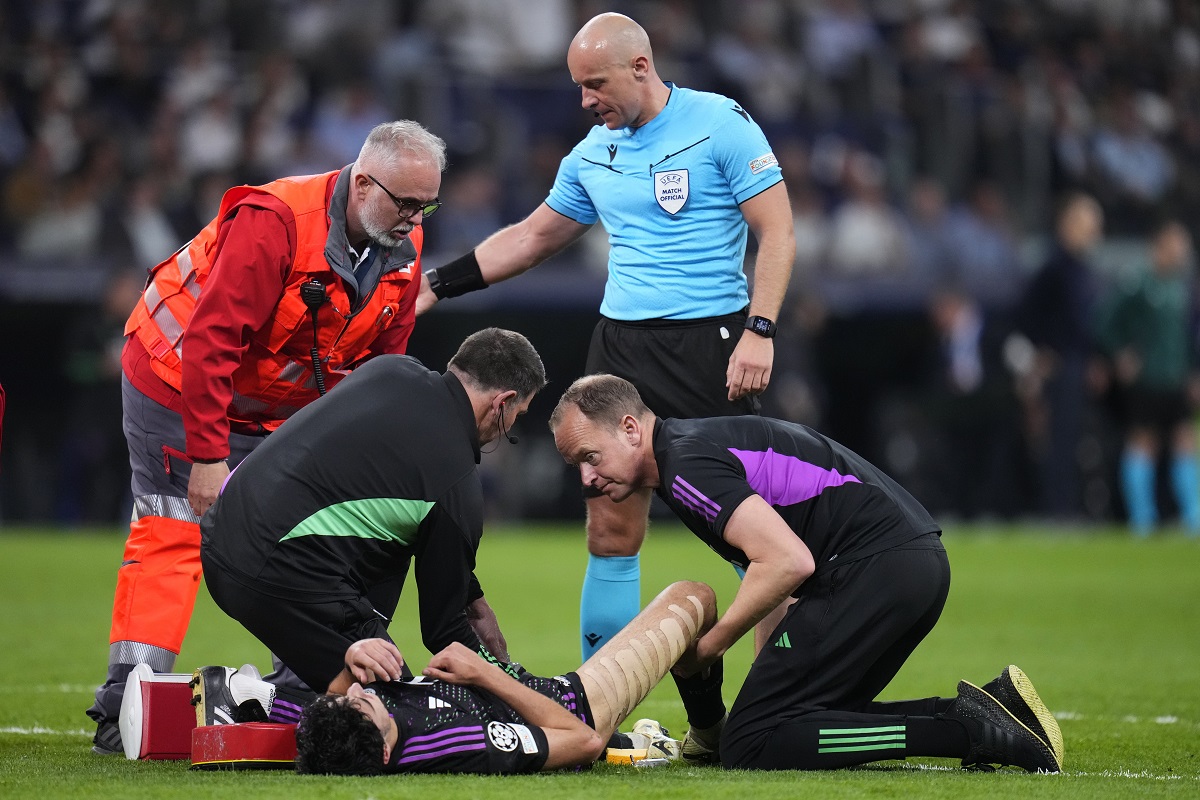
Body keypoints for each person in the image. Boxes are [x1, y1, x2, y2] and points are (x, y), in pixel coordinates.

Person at [416, 12, 796, 662]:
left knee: (753, 536)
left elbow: (779, 231)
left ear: (640, 68)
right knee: (610, 530)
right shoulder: (592, 154)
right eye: (578, 87)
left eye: (595, 84)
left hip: (712, 347)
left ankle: (781, 700)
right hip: (619, 353)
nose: (585, 101)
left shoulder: (721, 124)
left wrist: (760, 330)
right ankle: (601, 710)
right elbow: (532, 238)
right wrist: (436, 285)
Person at [88, 120, 448, 754]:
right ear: (363, 185)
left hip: (268, 405)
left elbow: (379, 375)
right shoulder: (276, 221)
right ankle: (124, 706)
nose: (416, 220)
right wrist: (207, 456)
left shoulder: (402, 245)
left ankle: (301, 692)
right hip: (176, 379)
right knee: (174, 530)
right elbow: (210, 342)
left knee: (306, 534)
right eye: (407, 203)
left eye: (427, 205)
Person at [548, 374, 1064, 773]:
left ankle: (970, 733)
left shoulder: (683, 466)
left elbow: (788, 562)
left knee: (752, 742)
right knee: (804, 716)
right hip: (907, 563)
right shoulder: (691, 447)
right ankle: (987, 709)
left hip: (876, 570)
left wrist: (712, 645)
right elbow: (774, 570)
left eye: (590, 457)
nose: (587, 478)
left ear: (630, 429)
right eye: (577, 465)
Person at [197, 328, 546, 709]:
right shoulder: (455, 482)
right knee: (400, 718)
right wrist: (511, 690)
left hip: (220, 541)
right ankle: (243, 699)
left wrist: (472, 596)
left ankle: (278, 693)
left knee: (393, 544)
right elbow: (445, 633)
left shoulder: (390, 370)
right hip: (267, 572)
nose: (511, 427)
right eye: (518, 415)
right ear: (503, 402)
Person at [191, 580, 716, 775]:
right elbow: (579, 739)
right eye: (362, 705)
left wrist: (245, 692)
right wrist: (485, 674)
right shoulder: (455, 745)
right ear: (383, 748)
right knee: (694, 597)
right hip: (578, 704)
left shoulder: (351, 736)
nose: (356, 694)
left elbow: (323, 718)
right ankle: (710, 738)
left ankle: (644, 744)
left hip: (537, 691)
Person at [1095, 220, 1200, 536]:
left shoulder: (1182, 287)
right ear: (1159, 245)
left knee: (1185, 442)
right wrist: (1119, 354)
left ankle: (1193, 516)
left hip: (1175, 378)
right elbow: (1106, 321)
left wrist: (1193, 372)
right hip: (1147, 380)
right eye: (1175, 244)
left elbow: (1188, 335)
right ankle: (1143, 519)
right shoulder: (1138, 281)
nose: (1182, 252)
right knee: (1143, 442)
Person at [1015, 193, 1105, 520]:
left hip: (1079, 366)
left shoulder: (1083, 269)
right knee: (1058, 442)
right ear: (1066, 225)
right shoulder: (1054, 268)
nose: (1094, 231)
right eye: (1086, 223)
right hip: (1060, 368)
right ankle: (1056, 511)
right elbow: (1026, 315)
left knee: (1075, 441)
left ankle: (1069, 507)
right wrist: (1043, 352)